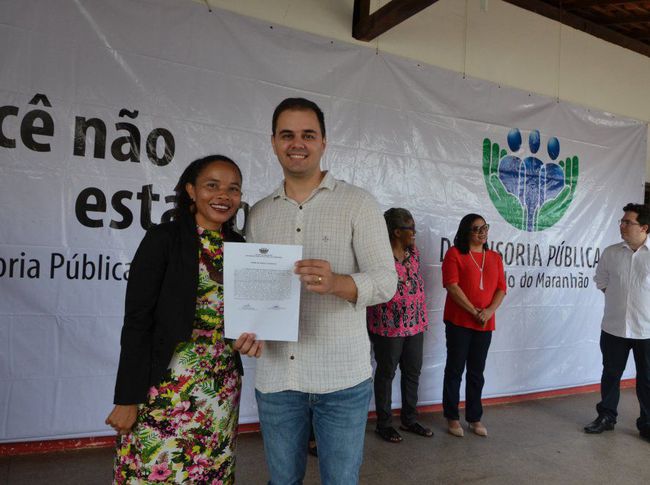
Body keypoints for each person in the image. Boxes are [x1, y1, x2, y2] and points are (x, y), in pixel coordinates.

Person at [246, 98, 397, 484]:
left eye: (308, 135)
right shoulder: (259, 213)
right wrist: (250, 328)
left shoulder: (358, 203)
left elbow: (386, 281)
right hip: (278, 379)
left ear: (324, 142)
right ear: (273, 142)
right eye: (287, 135)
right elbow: (254, 293)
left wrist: (338, 284)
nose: (297, 143)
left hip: (342, 379)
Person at [105, 154, 263, 484]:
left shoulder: (240, 246)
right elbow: (137, 322)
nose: (223, 196)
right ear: (191, 190)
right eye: (212, 185)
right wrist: (126, 398)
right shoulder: (163, 239)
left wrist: (254, 333)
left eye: (233, 189)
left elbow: (246, 314)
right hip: (166, 385)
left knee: (210, 471)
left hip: (220, 386)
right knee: (156, 471)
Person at [584, 203, 650, 442]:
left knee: (647, 379)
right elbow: (601, 281)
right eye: (621, 221)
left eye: (627, 222)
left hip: (646, 330)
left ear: (644, 227)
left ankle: (647, 423)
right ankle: (606, 417)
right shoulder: (611, 253)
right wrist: (620, 300)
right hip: (614, 327)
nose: (622, 226)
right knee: (611, 374)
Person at [367, 208, 432, 443]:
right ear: (396, 232)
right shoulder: (380, 257)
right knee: (386, 374)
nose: (414, 232)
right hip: (388, 325)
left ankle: (409, 419)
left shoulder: (413, 252)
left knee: (413, 371)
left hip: (415, 323)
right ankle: (384, 424)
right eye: (410, 228)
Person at [441, 213, 506, 437]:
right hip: (459, 322)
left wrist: (488, 311)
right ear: (466, 232)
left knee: (477, 372)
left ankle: (474, 418)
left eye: (484, 227)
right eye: (477, 229)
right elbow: (452, 286)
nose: (482, 232)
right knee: (455, 370)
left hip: (485, 323)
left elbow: (501, 288)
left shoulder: (495, 257)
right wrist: (474, 311)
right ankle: (452, 418)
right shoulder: (454, 254)